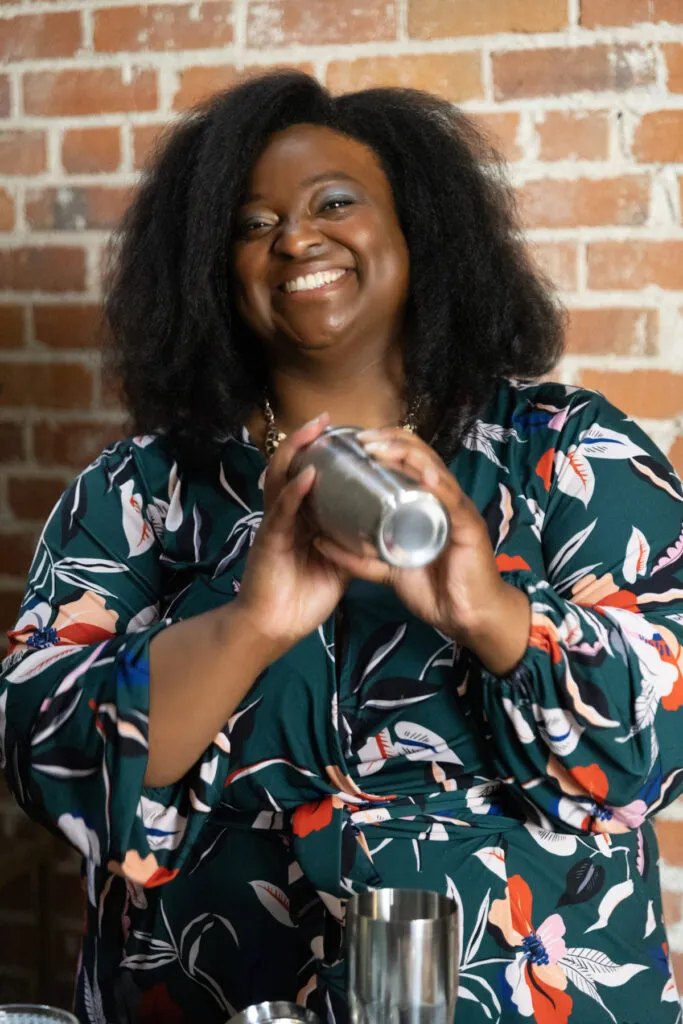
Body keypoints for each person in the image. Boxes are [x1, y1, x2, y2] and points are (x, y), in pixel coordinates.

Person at [1, 70, 683, 1024]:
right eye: (252, 224)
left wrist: (492, 614)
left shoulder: (565, 454)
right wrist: (247, 626)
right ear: (209, 269)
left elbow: (655, 746)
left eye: (333, 203)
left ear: (418, 231)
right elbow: (49, 759)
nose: (294, 238)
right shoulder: (138, 491)